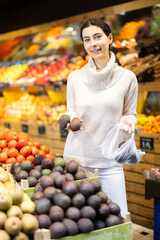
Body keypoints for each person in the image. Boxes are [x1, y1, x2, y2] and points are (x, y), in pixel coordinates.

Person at [61, 18, 138, 218]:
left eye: (97, 37)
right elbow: (71, 111)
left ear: (109, 38)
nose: (93, 44)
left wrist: (128, 122)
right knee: (80, 222)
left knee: (118, 217)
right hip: (78, 161)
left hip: (110, 159)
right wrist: (69, 119)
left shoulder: (127, 77)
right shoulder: (75, 78)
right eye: (87, 40)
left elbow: (131, 113)